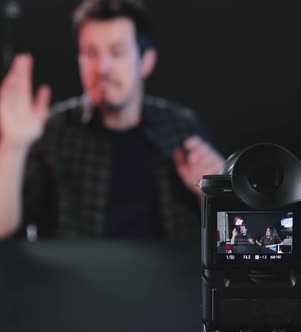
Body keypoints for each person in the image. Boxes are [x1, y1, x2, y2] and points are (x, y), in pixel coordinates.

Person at [0, 0, 223, 240]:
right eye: (90, 53)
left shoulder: (180, 127)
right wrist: (13, 146)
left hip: (170, 274)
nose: (102, 67)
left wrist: (218, 192)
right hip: (76, 275)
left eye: (117, 52)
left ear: (146, 62)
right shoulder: (54, 130)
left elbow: (236, 238)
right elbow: (4, 229)